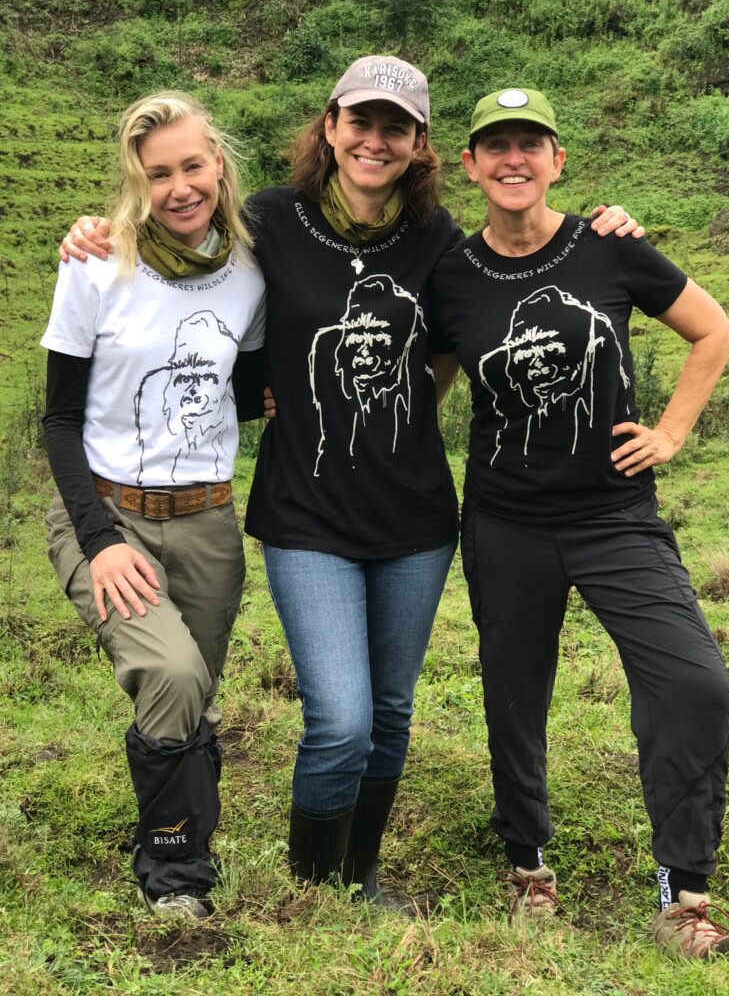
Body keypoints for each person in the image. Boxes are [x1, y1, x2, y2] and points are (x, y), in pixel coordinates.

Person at [59, 57, 639, 908]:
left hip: (415, 517)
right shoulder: (267, 221)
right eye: (359, 122)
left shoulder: (441, 237)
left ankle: (355, 873)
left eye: (395, 127)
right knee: (340, 719)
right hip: (305, 512)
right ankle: (314, 875)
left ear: (418, 145)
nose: (375, 140)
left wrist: (603, 229)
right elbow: (180, 255)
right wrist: (98, 229)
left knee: (393, 715)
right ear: (329, 127)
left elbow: (522, 264)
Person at [429, 87, 729, 956]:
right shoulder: (453, 274)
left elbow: (712, 331)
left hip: (615, 517)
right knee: (514, 692)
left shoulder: (609, 246)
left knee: (694, 684)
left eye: (531, 145)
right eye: (496, 146)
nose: (513, 160)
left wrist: (671, 432)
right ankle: (527, 866)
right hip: (504, 521)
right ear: (471, 165)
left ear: (558, 160)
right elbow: (428, 389)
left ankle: (684, 897)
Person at [42, 91, 266, 920]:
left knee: (194, 693)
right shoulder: (97, 262)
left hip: (207, 519)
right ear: (137, 181)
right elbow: (60, 417)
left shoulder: (248, 269)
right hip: (107, 513)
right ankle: (175, 871)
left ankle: (177, 837)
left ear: (219, 165)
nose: (180, 187)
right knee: (170, 675)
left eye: (193, 166)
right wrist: (99, 540)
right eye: (158, 172)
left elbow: (237, 385)